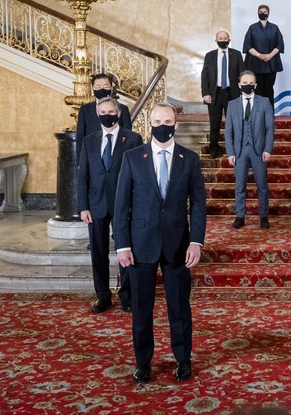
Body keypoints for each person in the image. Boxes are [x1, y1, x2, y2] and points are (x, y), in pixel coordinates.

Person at [113, 103, 207, 384]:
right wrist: (122, 245)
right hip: (140, 246)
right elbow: (122, 205)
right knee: (142, 310)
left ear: (176, 124)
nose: (162, 126)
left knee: (179, 308)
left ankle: (183, 359)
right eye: (157, 121)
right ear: (149, 124)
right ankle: (143, 363)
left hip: (178, 244)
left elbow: (199, 203)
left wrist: (196, 241)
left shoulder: (189, 159)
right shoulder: (132, 158)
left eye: (167, 121)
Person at [77, 97, 143, 314]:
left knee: (126, 250)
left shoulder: (133, 139)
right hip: (96, 205)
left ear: (118, 113)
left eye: (111, 111)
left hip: (124, 204)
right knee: (98, 252)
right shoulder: (89, 141)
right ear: (97, 114)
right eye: (103, 111)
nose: (107, 114)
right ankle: (103, 296)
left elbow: (139, 175)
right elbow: (83, 175)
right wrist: (83, 206)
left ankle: (128, 295)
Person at [225, 71, 275, 230]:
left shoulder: (265, 102)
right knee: (240, 185)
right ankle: (240, 216)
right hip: (239, 151)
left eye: (251, 82)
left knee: (262, 185)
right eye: (244, 82)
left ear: (255, 85)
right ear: (239, 85)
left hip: (258, 151)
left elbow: (270, 128)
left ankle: (263, 216)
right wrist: (230, 152)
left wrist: (268, 149)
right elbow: (228, 132)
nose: (248, 85)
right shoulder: (232, 105)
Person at [201, 29, 243, 158]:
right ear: (216, 40)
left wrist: (243, 92)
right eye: (220, 39)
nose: (223, 41)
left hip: (232, 93)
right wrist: (205, 93)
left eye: (225, 38)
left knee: (235, 121)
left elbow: (242, 73)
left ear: (229, 40)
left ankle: (236, 148)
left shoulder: (236, 54)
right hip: (215, 93)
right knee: (215, 122)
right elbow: (205, 76)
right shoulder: (210, 56)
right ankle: (214, 148)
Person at [242, 4, 285, 107]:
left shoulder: (275, 28)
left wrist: (270, 55)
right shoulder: (252, 28)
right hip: (255, 64)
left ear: (269, 13)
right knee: (257, 89)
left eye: (265, 12)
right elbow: (247, 45)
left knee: (269, 88)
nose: (262, 14)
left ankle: (269, 113)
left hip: (271, 64)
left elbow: (280, 44)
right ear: (257, 13)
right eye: (260, 12)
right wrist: (259, 55)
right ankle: (258, 114)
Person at [76, 73, 132, 138]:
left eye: (106, 87)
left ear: (111, 88)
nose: (102, 89)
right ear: (92, 89)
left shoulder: (123, 108)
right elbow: (80, 135)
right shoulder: (85, 109)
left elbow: (128, 134)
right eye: (98, 87)